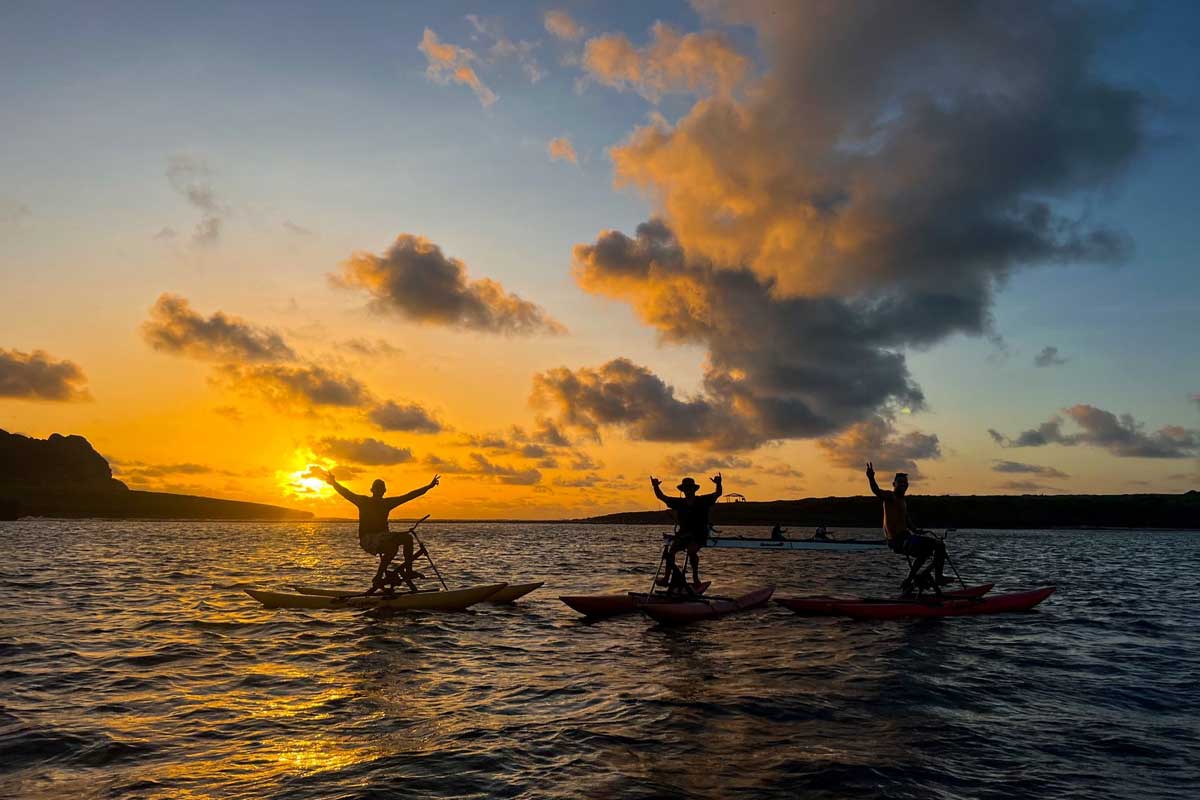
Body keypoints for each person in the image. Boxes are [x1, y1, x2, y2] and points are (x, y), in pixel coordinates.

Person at [322, 470, 440, 590]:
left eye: (381, 489)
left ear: (384, 491)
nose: (379, 491)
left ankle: (408, 571)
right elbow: (346, 493)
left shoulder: (387, 503)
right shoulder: (363, 501)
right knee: (392, 548)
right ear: (372, 490)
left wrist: (429, 486)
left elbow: (409, 496)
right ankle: (378, 577)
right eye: (377, 489)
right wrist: (334, 483)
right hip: (368, 539)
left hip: (383, 537)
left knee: (407, 538)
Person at [865, 462, 951, 592]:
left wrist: (917, 530)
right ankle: (934, 578)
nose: (904, 484)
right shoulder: (890, 496)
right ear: (894, 484)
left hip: (906, 537)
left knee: (930, 552)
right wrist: (871, 478)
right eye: (900, 482)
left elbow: (907, 520)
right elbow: (876, 491)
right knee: (938, 546)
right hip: (898, 541)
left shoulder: (902, 501)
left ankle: (914, 579)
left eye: (905, 482)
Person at [651, 473, 722, 593]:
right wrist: (655, 486)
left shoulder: (703, 500)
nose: (687, 491)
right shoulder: (680, 503)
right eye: (685, 489)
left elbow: (717, 494)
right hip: (683, 534)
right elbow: (661, 497)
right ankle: (666, 578)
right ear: (683, 491)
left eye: (689, 489)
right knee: (671, 552)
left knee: (691, 550)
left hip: (699, 534)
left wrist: (718, 484)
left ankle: (695, 579)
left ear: (693, 490)